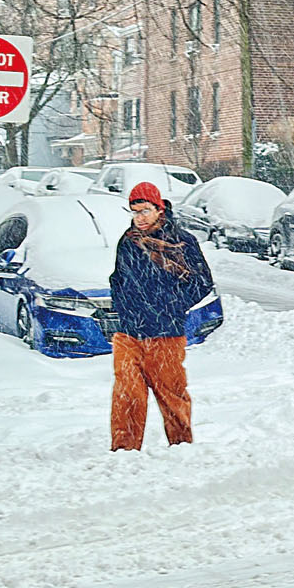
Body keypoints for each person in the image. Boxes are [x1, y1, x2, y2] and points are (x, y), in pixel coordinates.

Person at [108, 180, 215, 451]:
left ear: (159, 209)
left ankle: (181, 448)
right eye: (134, 212)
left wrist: (172, 305)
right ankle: (124, 451)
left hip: (166, 331)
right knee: (127, 394)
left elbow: (202, 282)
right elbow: (118, 279)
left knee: (171, 395)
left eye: (145, 211)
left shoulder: (181, 241)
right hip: (129, 331)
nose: (140, 218)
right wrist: (124, 307)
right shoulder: (128, 242)